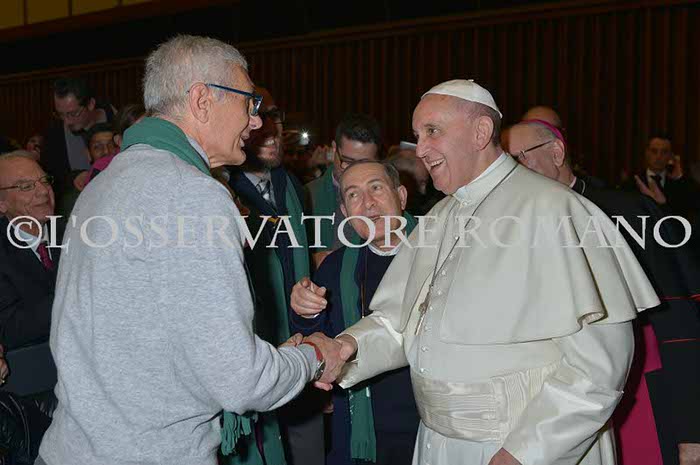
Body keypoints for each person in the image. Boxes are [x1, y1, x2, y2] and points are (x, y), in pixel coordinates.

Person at [301, 79, 659, 465]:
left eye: (432, 131)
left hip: (523, 447)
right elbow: (399, 322)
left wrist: (523, 453)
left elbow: (599, 366)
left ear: (481, 131)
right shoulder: (439, 217)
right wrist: (345, 346)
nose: (420, 149)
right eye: (418, 136)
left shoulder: (555, 210)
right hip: (437, 443)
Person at [36, 35, 347, 465]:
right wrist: (313, 356)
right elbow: (240, 379)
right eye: (249, 103)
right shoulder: (190, 193)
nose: (256, 121)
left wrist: (275, 356)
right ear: (202, 100)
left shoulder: (104, 184)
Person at [505, 120, 700, 465]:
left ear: (557, 152)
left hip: (634, 388)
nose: (512, 171)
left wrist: (691, 431)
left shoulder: (628, 212)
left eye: (521, 157)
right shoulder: (502, 227)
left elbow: (678, 325)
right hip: (537, 405)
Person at [290, 160, 420, 465]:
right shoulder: (335, 268)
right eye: (353, 195)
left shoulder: (441, 254)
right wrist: (305, 312)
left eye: (376, 187)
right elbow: (320, 343)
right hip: (359, 434)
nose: (368, 203)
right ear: (345, 213)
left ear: (401, 196)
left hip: (427, 429)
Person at [225, 87, 322, 465]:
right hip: (255, 362)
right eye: (256, 116)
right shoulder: (222, 193)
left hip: (302, 349)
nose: (269, 128)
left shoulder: (290, 186)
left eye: (275, 116)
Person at [305, 113, 382, 265]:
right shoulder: (306, 196)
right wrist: (310, 262)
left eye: (364, 164)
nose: (354, 171)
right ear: (334, 149)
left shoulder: (388, 198)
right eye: (347, 161)